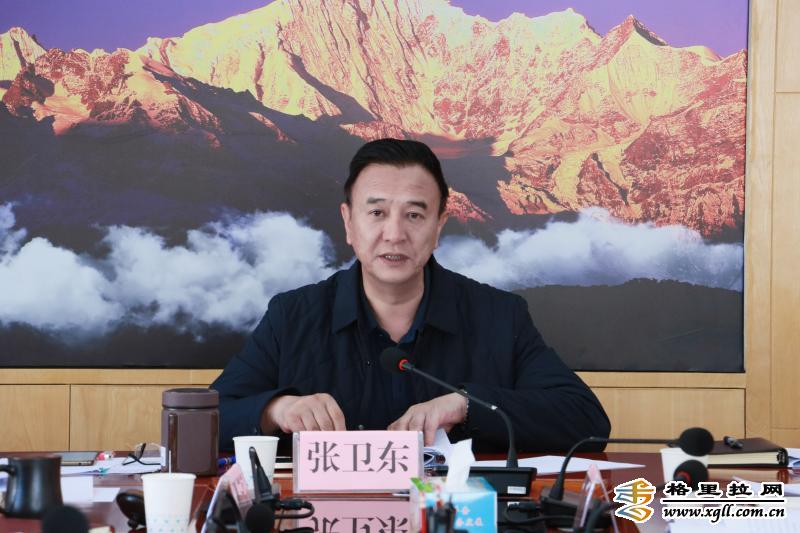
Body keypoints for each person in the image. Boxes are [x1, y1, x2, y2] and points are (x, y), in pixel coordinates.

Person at [211, 138, 610, 452]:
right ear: (348, 222)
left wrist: (466, 405)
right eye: (377, 213)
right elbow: (204, 420)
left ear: (439, 226)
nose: (395, 234)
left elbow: (585, 420)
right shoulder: (293, 316)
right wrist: (276, 410)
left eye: (414, 215)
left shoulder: (499, 316)